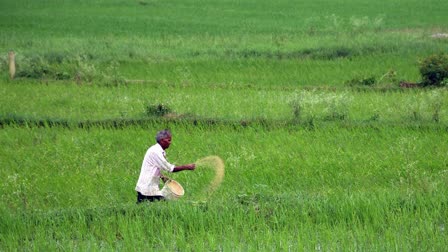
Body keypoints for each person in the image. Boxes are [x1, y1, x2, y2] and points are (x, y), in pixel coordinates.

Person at [135, 129, 196, 203]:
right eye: (168, 140)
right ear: (162, 140)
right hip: (148, 187)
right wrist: (187, 167)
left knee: (143, 206)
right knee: (162, 204)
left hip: (147, 186)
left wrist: (161, 176)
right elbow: (170, 168)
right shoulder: (156, 152)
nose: (170, 143)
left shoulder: (156, 150)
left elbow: (153, 167)